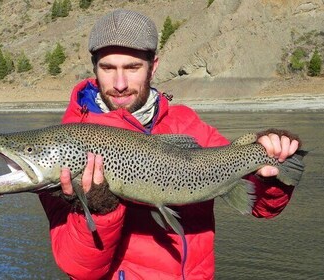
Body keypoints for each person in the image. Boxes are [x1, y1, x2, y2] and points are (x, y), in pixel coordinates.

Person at [39, 9, 299, 280]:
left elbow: (261, 207)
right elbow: (81, 269)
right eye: (108, 68)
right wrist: (97, 209)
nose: (119, 83)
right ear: (94, 68)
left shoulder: (188, 124)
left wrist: (272, 165)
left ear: (154, 66)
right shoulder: (62, 149)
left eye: (132, 67)